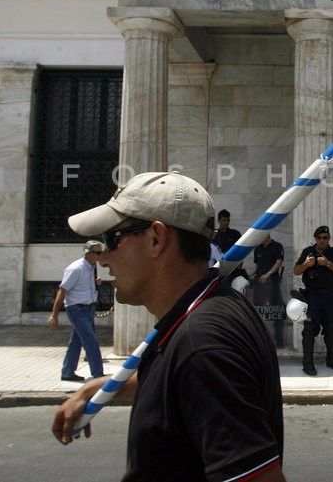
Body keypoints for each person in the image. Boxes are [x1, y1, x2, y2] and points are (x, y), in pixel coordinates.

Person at [50, 172, 285, 482]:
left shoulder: (202, 342)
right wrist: (95, 388)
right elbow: (174, 382)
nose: (104, 259)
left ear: (156, 239)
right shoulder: (204, 310)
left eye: (112, 239)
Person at [47, 240, 106, 382]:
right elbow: (62, 291)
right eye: (98, 253)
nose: (100, 255)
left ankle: (67, 372)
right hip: (77, 309)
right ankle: (98, 374)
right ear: (88, 253)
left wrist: (95, 282)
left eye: (101, 252)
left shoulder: (92, 267)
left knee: (76, 342)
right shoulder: (76, 268)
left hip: (89, 308)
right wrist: (54, 315)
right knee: (90, 340)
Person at [293, 225, 333, 376]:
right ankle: (308, 365)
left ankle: (332, 360)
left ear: (329, 238)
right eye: (319, 238)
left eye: (325, 237)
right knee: (309, 330)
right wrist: (306, 264)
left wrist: (328, 263)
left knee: (331, 328)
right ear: (315, 239)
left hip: (329, 296)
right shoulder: (307, 252)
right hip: (312, 297)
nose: (322, 240)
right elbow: (296, 271)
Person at [253, 233, 286, 348]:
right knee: (259, 311)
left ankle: (278, 340)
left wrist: (268, 274)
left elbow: (278, 262)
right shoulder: (258, 249)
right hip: (260, 284)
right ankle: (261, 339)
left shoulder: (277, 246)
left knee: (276, 311)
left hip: (273, 282)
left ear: (267, 235)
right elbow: (257, 267)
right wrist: (248, 275)